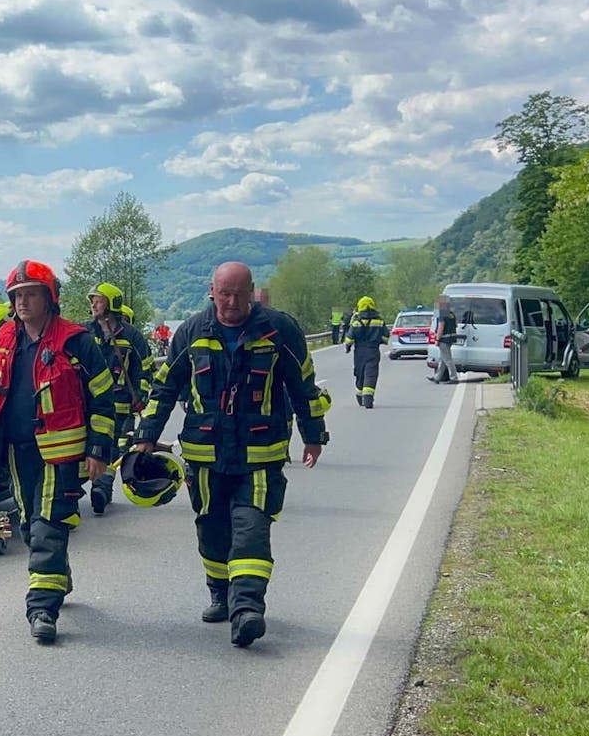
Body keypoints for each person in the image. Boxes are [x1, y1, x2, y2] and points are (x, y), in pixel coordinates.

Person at [133, 262, 330, 648]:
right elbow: (164, 389)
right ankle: (220, 592)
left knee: (251, 527)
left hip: (261, 454)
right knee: (212, 528)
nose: (231, 301)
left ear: (252, 291)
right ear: (212, 291)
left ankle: (247, 610)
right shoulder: (191, 332)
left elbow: (302, 386)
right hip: (205, 456)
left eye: (239, 293)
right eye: (224, 293)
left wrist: (313, 435)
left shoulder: (279, 330)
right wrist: (146, 437)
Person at [0, 261, 117, 644]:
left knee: (47, 524)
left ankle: (42, 608)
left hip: (63, 453)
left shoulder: (76, 342)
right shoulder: (3, 341)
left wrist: (99, 449)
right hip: (16, 451)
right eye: (17, 295)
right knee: (29, 523)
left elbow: (106, 399)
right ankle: (58, 575)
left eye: (31, 293)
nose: (23, 301)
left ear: (49, 297)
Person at [85, 283, 147, 516]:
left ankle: (101, 488)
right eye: (92, 300)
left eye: (98, 300)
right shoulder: (85, 333)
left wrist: (140, 395)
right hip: (89, 404)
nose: (93, 305)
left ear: (111, 304)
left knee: (113, 449)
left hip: (120, 406)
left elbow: (145, 370)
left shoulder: (132, 337)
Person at [343, 296, 390, 408]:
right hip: (373, 351)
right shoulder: (379, 321)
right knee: (371, 374)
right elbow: (386, 338)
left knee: (360, 374)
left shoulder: (356, 322)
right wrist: (378, 340)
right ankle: (368, 399)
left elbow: (349, 339)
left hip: (359, 352)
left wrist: (348, 347)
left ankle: (360, 397)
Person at [429, 300, 459, 383]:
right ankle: (437, 377)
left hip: (444, 339)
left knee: (448, 360)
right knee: (443, 359)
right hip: (451, 338)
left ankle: (454, 378)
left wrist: (437, 339)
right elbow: (456, 324)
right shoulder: (451, 314)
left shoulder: (441, 314)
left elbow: (441, 327)